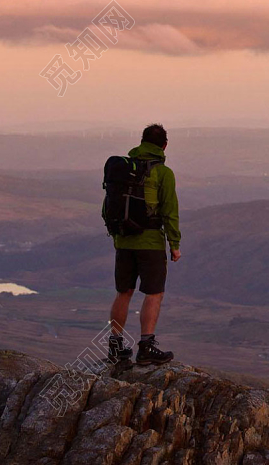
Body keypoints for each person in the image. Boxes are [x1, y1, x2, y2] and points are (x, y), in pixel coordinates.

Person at [107, 124, 180, 365]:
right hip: (150, 242)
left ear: (142, 141)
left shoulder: (126, 168)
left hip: (124, 241)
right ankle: (146, 346)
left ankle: (115, 345)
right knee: (153, 293)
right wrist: (174, 244)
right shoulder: (163, 173)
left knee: (123, 292)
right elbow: (170, 211)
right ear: (164, 146)